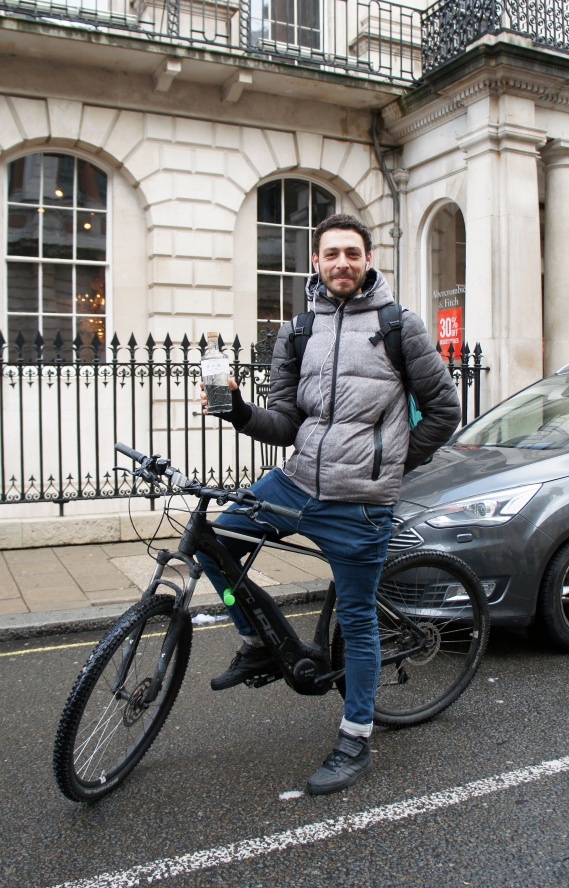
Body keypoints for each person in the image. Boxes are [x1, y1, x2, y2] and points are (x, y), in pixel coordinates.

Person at [197, 213, 461, 795]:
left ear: (368, 261)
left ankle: (356, 736)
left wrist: (387, 464)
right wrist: (239, 412)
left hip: (360, 502)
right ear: (315, 263)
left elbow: (445, 411)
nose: (341, 262)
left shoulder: (401, 326)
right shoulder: (296, 332)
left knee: (358, 621)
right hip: (295, 484)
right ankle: (257, 639)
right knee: (218, 541)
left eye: (352, 253)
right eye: (330, 254)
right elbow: (286, 423)